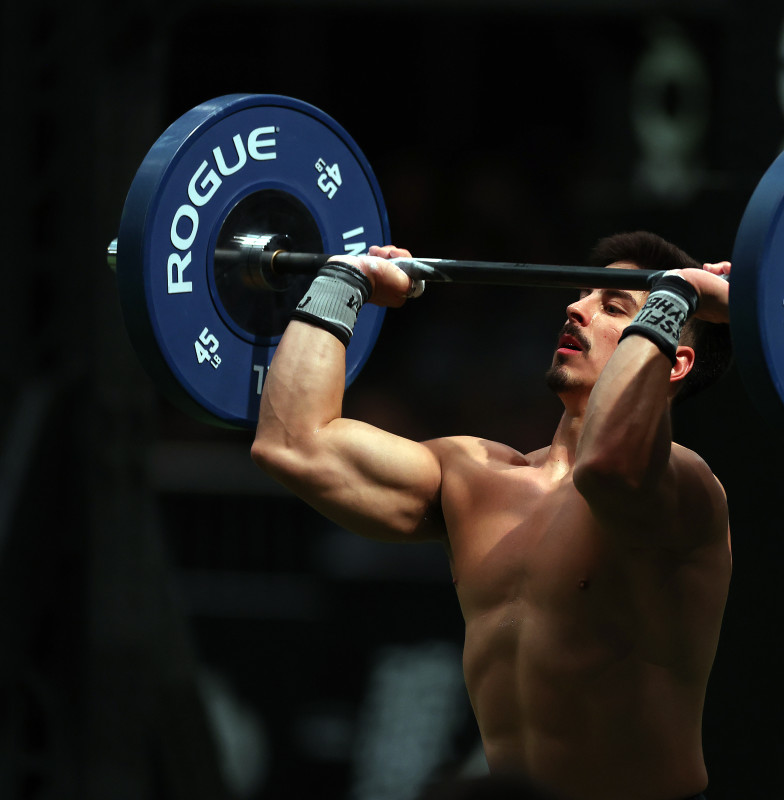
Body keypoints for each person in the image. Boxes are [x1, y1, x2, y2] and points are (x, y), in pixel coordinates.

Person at [250, 231, 734, 800]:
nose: (575, 307)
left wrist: (675, 296)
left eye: (613, 306)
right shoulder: (475, 477)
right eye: (583, 293)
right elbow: (292, 443)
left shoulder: (682, 487)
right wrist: (344, 281)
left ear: (674, 363)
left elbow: (607, 462)